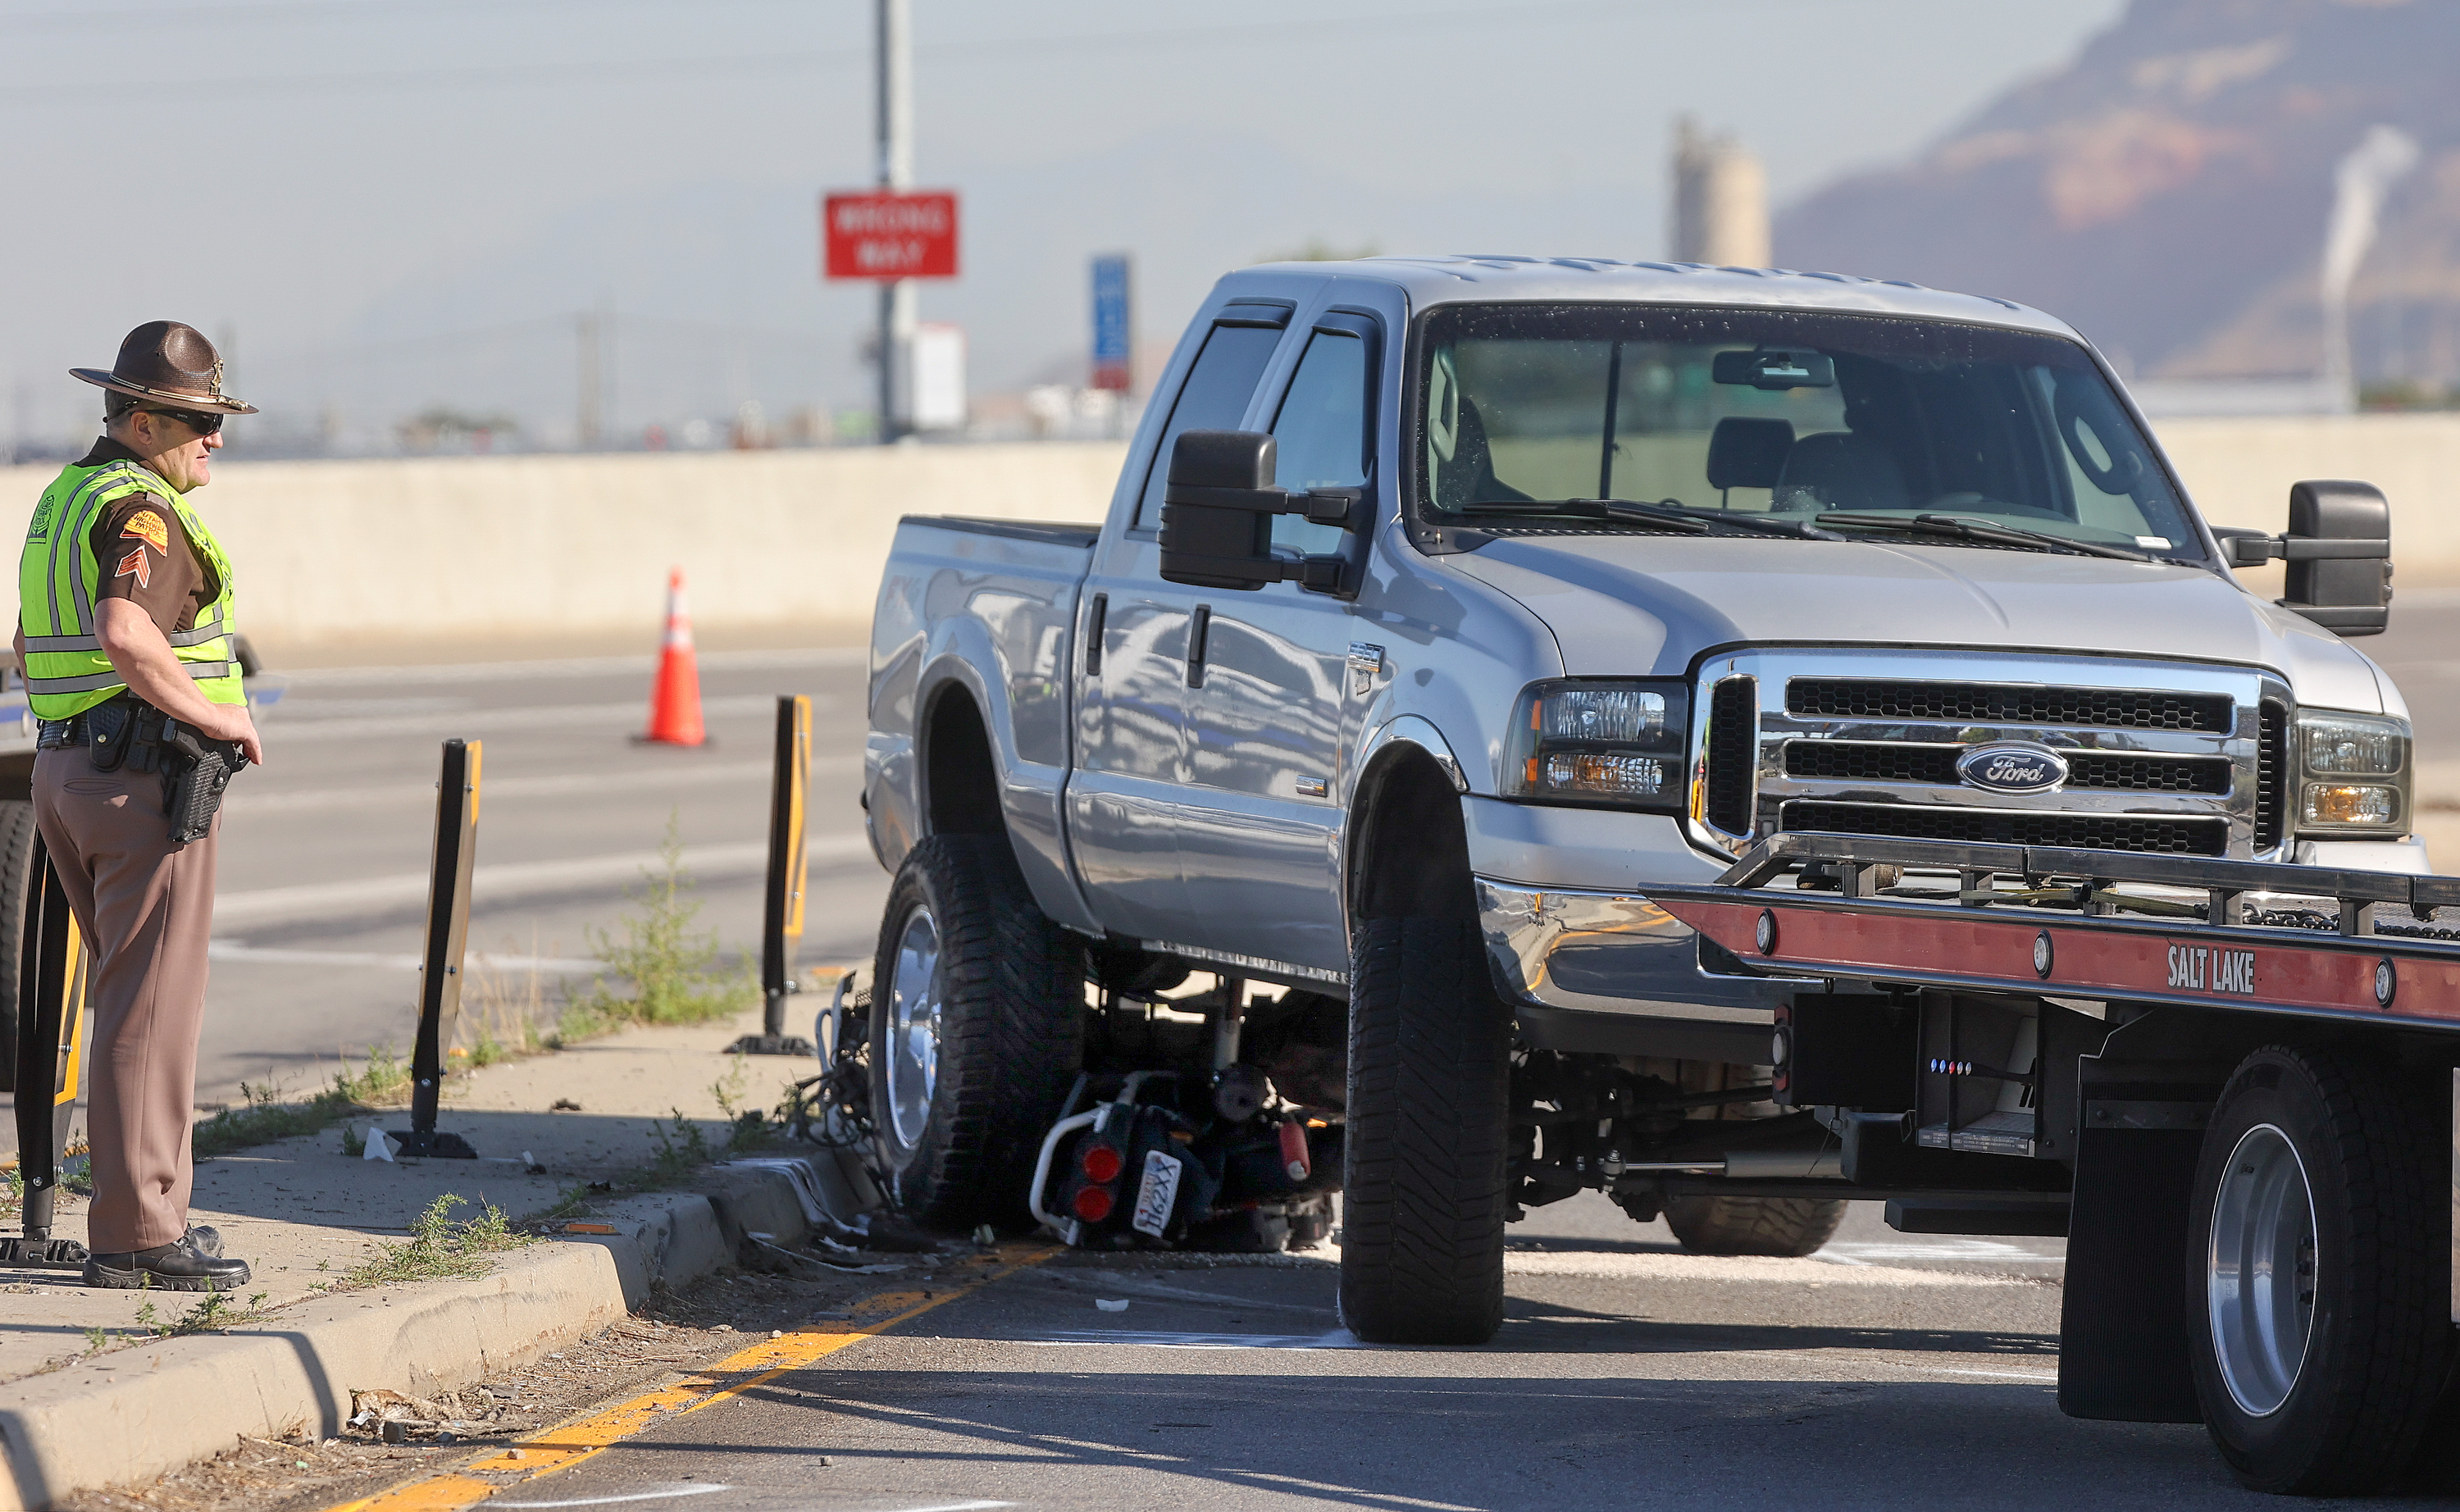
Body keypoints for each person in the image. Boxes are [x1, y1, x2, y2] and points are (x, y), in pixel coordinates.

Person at [15, 321, 265, 1291]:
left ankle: (136, 1214)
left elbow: (36, 644)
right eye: (201, 420)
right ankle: (141, 1228)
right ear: (147, 417)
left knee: (126, 994)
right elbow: (126, 630)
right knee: (152, 1006)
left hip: (67, 774)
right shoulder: (143, 510)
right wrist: (219, 716)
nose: (214, 439)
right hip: (139, 779)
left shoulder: (63, 498)